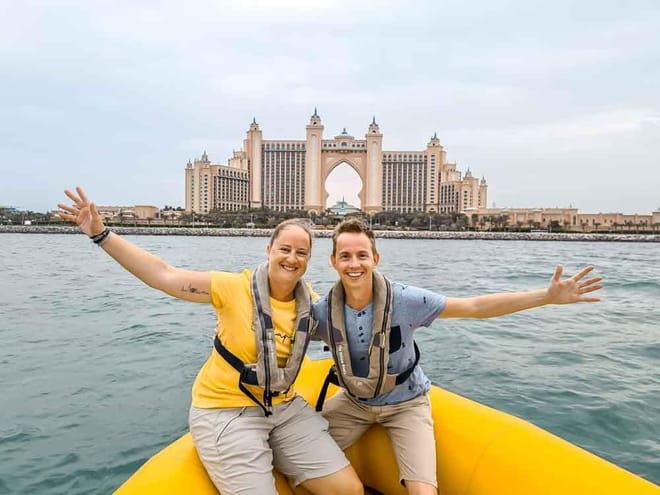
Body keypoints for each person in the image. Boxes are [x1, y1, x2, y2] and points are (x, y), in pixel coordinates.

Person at [56, 187, 363, 495]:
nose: (292, 258)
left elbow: (353, 329)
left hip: (283, 408)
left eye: (301, 253)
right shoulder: (233, 287)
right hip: (226, 411)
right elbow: (164, 275)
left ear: (309, 259)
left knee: (349, 490)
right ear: (269, 250)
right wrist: (101, 235)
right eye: (285, 249)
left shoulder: (310, 304)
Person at [312, 217, 603, 495]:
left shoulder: (405, 300)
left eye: (362, 255)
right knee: (301, 457)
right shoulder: (323, 312)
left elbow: (474, 307)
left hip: (406, 404)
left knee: (423, 490)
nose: (354, 264)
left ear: (375, 259)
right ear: (333, 261)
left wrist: (546, 297)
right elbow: (289, 328)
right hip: (354, 402)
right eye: (345, 256)